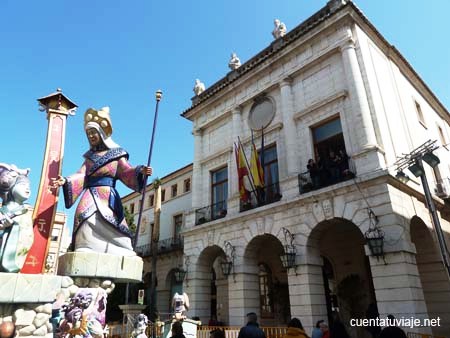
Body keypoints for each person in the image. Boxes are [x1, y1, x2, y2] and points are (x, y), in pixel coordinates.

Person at [52, 107, 152, 256]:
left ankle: (121, 248)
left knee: (112, 219)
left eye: (94, 132)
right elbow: (81, 175)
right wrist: (66, 180)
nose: (91, 136)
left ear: (101, 133)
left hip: (107, 194)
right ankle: (85, 246)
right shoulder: (89, 157)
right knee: (83, 216)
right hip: (90, 194)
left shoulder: (117, 154)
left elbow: (126, 171)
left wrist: (140, 171)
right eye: (88, 133)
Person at [0, 167, 33, 272]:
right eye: (23, 185)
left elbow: (28, 236)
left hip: (13, 256)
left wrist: (15, 226)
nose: (27, 189)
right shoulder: (2, 210)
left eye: (28, 186)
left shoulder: (25, 213)